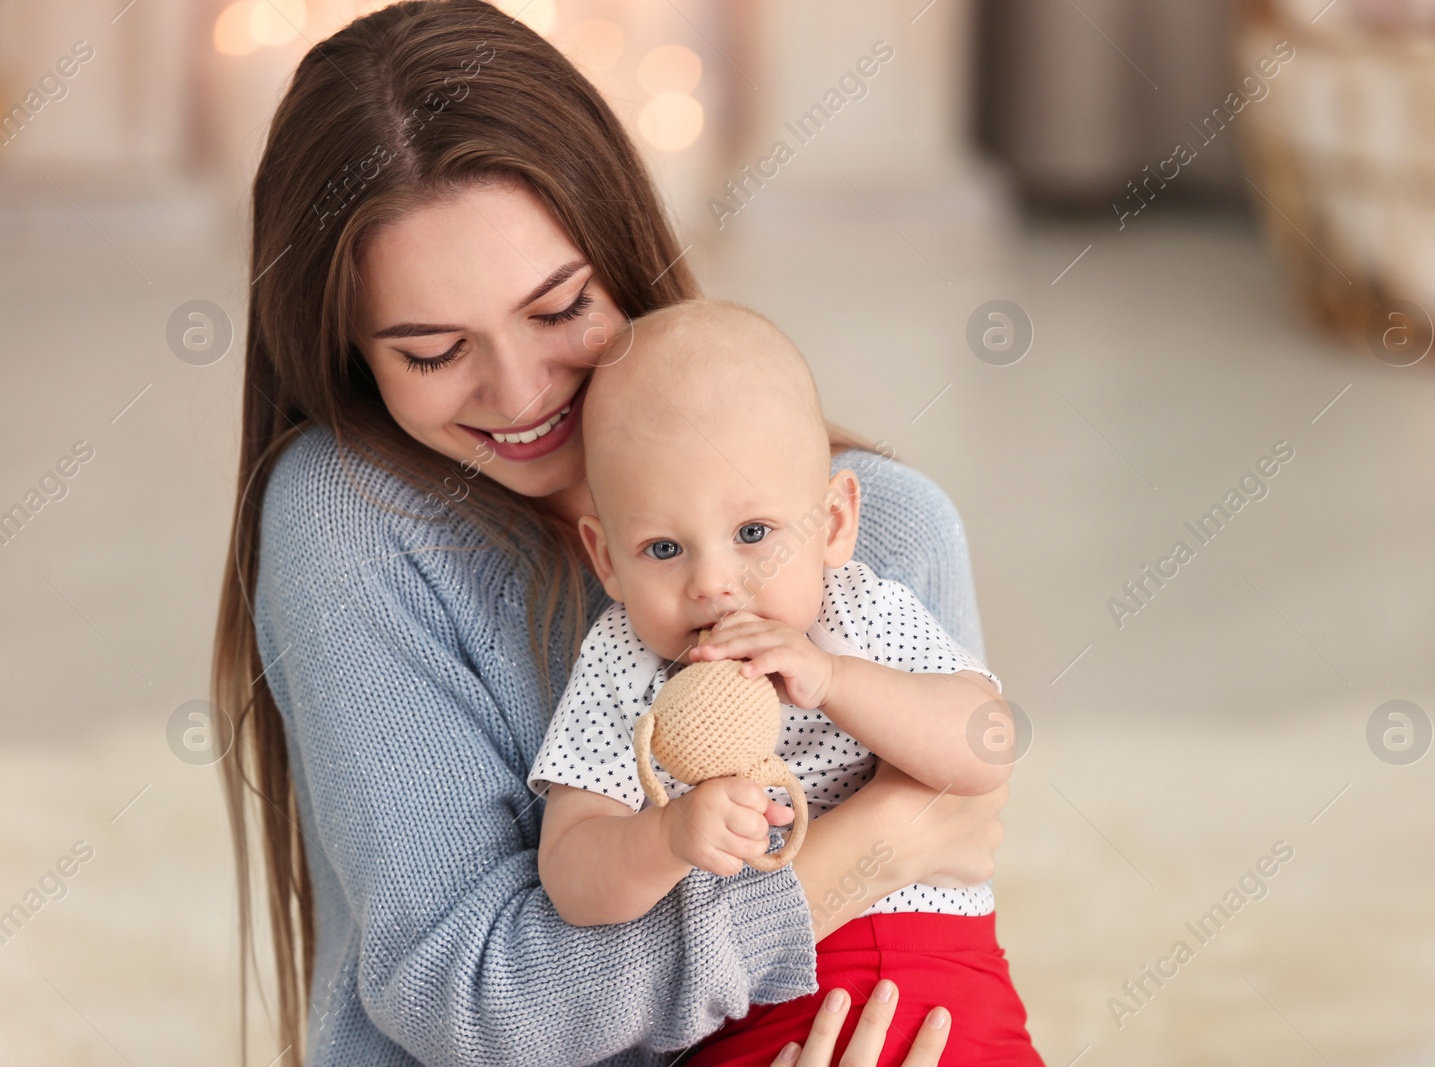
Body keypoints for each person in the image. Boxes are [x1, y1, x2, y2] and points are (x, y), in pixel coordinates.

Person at [211, 3, 1007, 1065]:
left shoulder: (887, 529)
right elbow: (477, 1000)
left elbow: (960, 851)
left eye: (558, 308)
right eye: (434, 351)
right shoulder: (351, 521)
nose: (521, 388)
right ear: (354, 357)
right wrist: (870, 846)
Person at [529, 300, 1045, 1066]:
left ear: (833, 523)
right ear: (607, 559)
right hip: (750, 1007)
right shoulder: (621, 661)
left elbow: (987, 747)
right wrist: (665, 837)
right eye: (664, 546)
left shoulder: (857, 609)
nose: (713, 583)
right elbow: (571, 870)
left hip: (944, 977)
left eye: (753, 534)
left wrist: (835, 679)